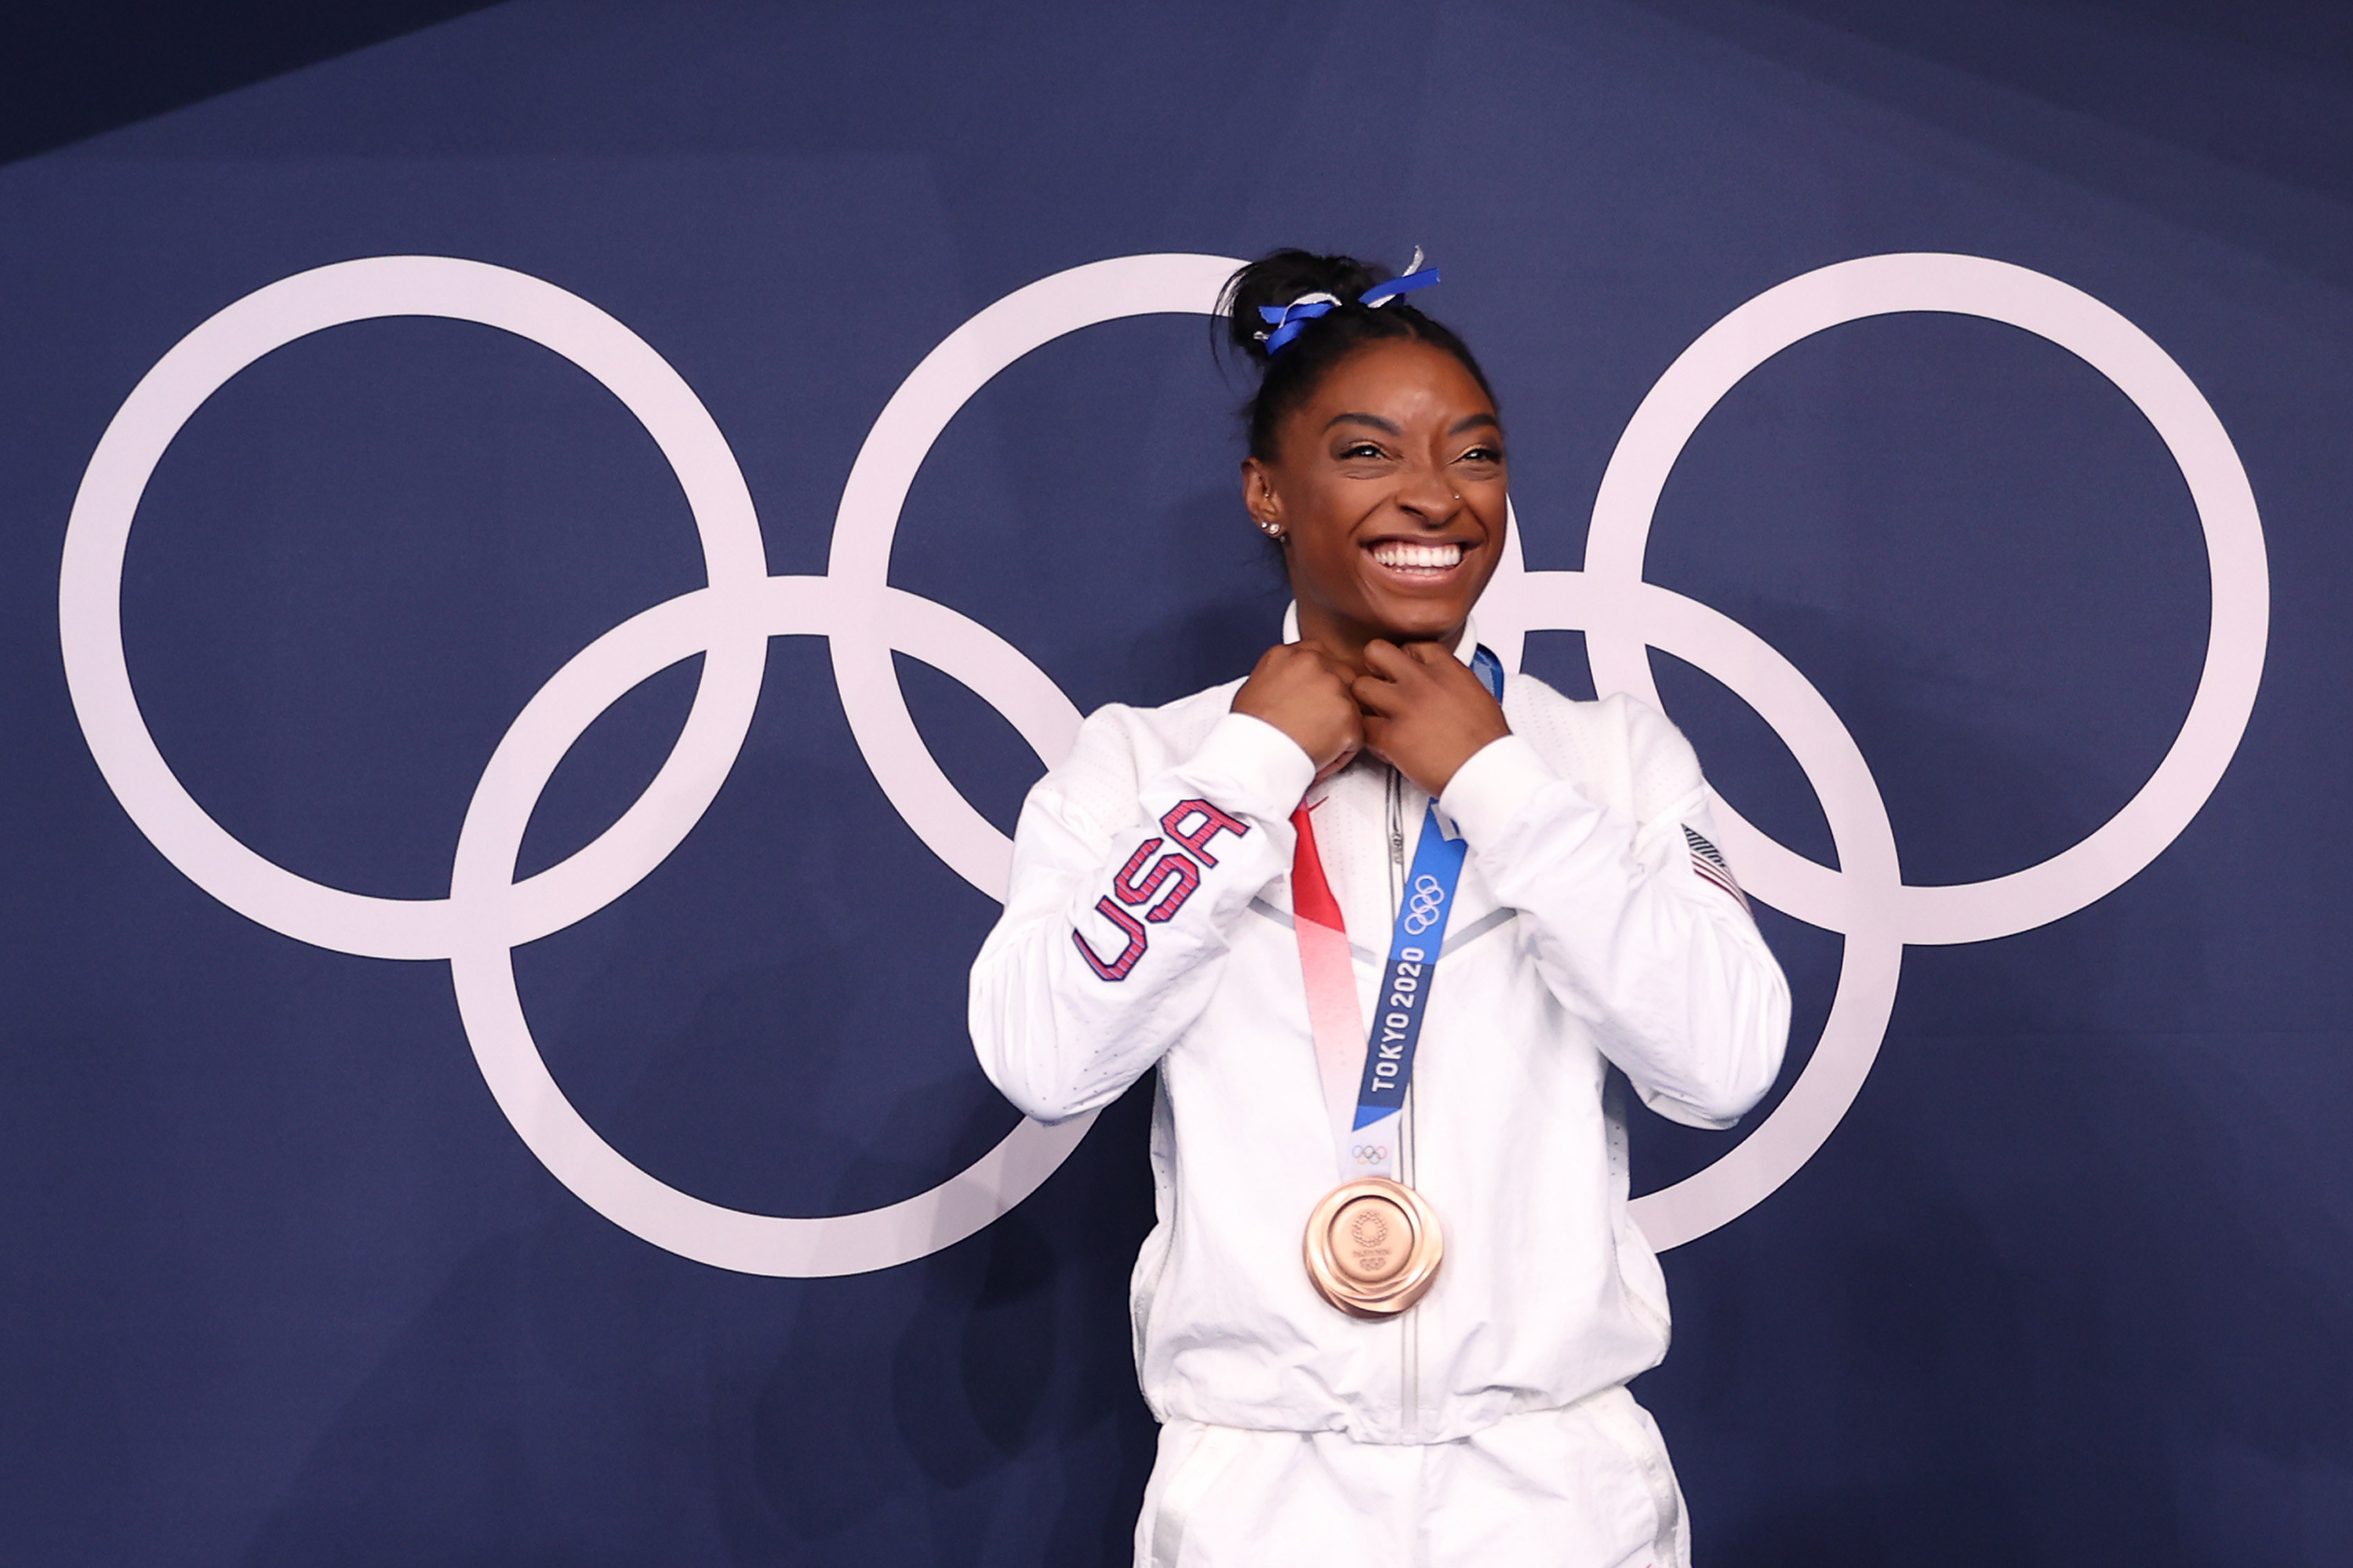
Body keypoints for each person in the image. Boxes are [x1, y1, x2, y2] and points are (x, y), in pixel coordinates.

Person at [968, 249, 1791, 1568]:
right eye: (1368, 452)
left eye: (1475, 455)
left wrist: (1500, 784)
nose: (1435, 498)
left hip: (1558, 1497)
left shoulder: (1610, 758)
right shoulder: (1143, 764)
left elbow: (1726, 1064)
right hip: (1261, 1500)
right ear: (1268, 494)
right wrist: (1247, 776)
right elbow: (1040, 1057)